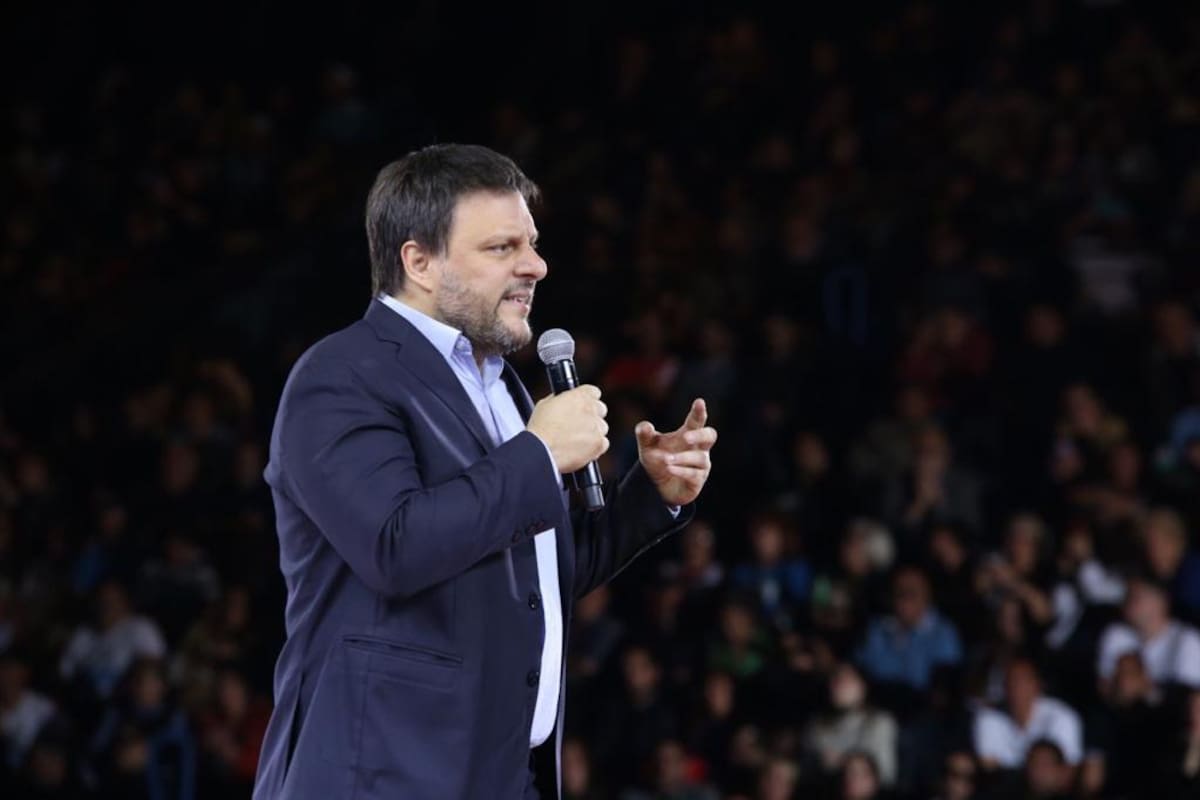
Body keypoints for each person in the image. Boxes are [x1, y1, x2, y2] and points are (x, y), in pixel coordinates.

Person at [251, 144, 717, 800]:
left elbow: (532, 572)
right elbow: (396, 546)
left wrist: (649, 498)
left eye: (531, 243)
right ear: (418, 261)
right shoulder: (341, 377)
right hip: (385, 777)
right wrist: (537, 454)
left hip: (501, 774)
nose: (536, 265)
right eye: (502, 248)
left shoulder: (500, 384)